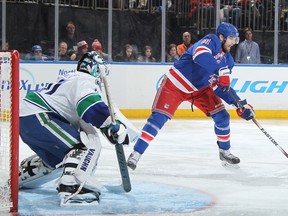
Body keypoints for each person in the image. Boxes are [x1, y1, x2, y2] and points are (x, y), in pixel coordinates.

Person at [127, 22, 256, 170]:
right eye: (232, 38)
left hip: (200, 89)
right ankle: (136, 153)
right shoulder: (211, 40)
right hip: (175, 84)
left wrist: (239, 104)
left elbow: (221, 88)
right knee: (158, 119)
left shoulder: (229, 61)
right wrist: (220, 70)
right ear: (221, 37)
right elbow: (200, 56)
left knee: (222, 117)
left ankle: (224, 152)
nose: (234, 43)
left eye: (236, 39)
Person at [18, 51, 129, 206]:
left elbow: (85, 118)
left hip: (30, 118)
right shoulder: (85, 80)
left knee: (60, 160)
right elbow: (88, 105)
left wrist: (108, 129)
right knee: (84, 145)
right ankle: (73, 187)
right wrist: (110, 124)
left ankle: (22, 175)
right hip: (39, 116)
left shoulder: (71, 79)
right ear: (96, 69)